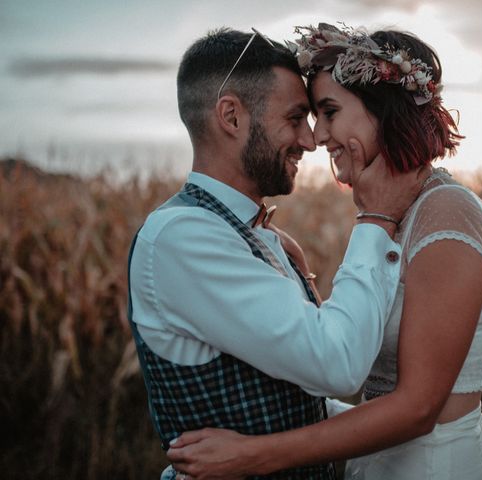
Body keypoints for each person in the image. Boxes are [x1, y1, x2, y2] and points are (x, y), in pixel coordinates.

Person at [166, 23, 482, 479]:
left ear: (383, 113)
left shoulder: (445, 214)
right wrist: (304, 281)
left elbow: (417, 408)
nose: (318, 135)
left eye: (328, 111)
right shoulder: (392, 210)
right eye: (309, 116)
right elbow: (350, 352)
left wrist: (254, 454)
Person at [127, 27, 424, 480]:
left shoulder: (255, 235)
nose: (310, 140)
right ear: (231, 117)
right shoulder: (181, 238)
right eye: (294, 118)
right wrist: (377, 218)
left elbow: (294, 395)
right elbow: (338, 362)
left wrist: (414, 425)